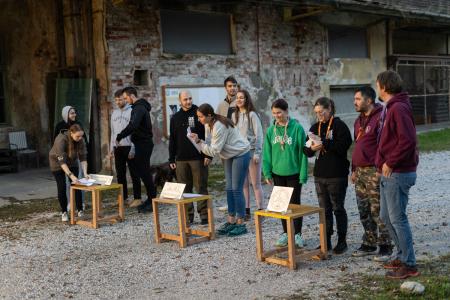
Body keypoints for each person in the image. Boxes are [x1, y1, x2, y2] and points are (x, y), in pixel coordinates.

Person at [375, 70, 419, 279]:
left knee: (398, 218)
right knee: (386, 216)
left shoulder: (398, 108)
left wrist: (390, 162)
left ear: (383, 86)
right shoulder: (389, 108)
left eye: (377, 85)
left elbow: (408, 140)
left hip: (399, 172)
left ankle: (409, 264)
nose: (377, 88)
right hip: (388, 172)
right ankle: (401, 255)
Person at [190, 103, 251, 236]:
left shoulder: (219, 125)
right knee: (229, 188)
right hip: (229, 154)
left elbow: (214, 150)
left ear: (209, 115)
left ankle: (241, 222)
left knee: (236, 188)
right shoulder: (208, 124)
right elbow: (209, 142)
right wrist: (201, 143)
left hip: (240, 153)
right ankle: (231, 220)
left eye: (200, 117)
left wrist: (198, 142)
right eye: (198, 117)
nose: (199, 119)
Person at [303, 97, 352, 254]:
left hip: (336, 174)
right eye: (316, 112)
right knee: (324, 210)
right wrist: (312, 148)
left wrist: (325, 143)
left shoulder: (339, 125)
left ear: (329, 109)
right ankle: (326, 241)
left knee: (338, 208)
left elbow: (344, 146)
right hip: (320, 175)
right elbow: (306, 150)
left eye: (321, 112)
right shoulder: (314, 127)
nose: (319, 115)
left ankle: (342, 241)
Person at [351, 86, 392, 261]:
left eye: (358, 99)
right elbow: (357, 146)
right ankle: (369, 242)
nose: (354, 102)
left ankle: (385, 245)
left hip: (373, 171)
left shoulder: (381, 118)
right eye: (355, 99)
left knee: (378, 210)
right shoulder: (358, 121)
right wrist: (353, 169)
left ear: (369, 101)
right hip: (359, 172)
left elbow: (384, 146)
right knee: (363, 210)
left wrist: (379, 169)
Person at [263, 99, 308, 248]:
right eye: (274, 113)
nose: (277, 116)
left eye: (279, 113)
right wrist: (267, 172)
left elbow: (303, 153)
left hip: (293, 172)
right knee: (281, 204)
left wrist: (303, 174)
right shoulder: (271, 130)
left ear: (286, 111)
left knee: (294, 205)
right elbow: (267, 153)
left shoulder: (297, 129)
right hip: (278, 173)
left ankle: (297, 234)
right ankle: (285, 233)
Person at [169, 90, 211, 225]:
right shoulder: (175, 117)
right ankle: (188, 216)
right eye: (185, 99)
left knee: (201, 187)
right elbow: (173, 140)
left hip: (198, 157)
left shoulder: (199, 113)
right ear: (180, 100)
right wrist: (171, 159)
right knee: (184, 189)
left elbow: (207, 135)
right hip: (181, 159)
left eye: (190, 98)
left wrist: (207, 155)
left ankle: (204, 215)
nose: (188, 101)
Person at [116, 86, 156, 213]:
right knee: (143, 172)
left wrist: (120, 135)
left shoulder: (139, 108)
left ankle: (152, 200)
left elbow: (133, 125)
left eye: (126, 98)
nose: (126, 100)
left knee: (144, 172)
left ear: (132, 96)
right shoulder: (138, 107)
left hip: (144, 144)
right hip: (140, 144)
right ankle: (151, 199)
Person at [232, 89, 264, 220]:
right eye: (237, 97)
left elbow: (259, 135)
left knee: (255, 183)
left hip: (252, 152)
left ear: (246, 99)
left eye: (242, 98)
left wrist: (257, 152)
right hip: (239, 153)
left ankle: (261, 210)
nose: (239, 100)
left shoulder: (252, 115)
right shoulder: (234, 116)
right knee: (243, 183)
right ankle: (246, 211)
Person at [109, 89, 142, 207]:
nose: (118, 102)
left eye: (120, 99)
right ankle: (124, 198)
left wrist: (133, 147)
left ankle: (138, 198)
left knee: (134, 173)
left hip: (130, 146)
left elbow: (135, 131)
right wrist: (111, 147)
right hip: (118, 148)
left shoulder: (132, 111)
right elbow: (112, 132)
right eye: (116, 100)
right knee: (120, 174)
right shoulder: (114, 113)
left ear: (125, 99)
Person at [49, 124, 88, 222]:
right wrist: (71, 175)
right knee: (62, 186)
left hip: (72, 161)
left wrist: (85, 173)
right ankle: (64, 212)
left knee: (77, 184)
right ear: (71, 133)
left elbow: (83, 158)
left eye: (81, 136)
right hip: (57, 163)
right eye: (77, 136)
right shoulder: (61, 140)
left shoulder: (81, 140)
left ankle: (80, 209)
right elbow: (62, 162)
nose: (80, 138)